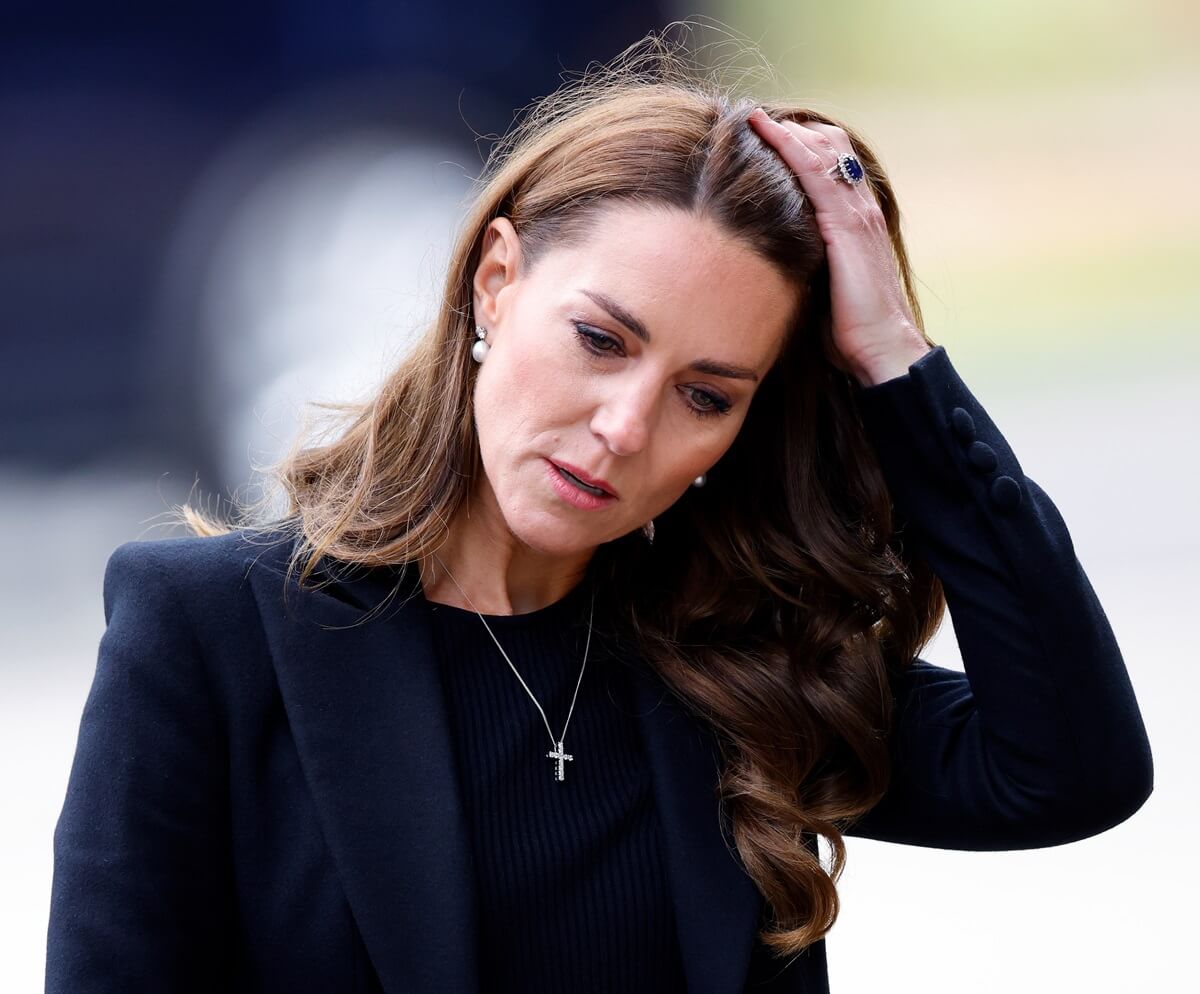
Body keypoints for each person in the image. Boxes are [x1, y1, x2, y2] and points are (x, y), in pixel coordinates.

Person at [46, 33, 1153, 994]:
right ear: (496, 279)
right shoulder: (215, 636)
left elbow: (1071, 767)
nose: (627, 427)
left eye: (705, 394)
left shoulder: (738, 667)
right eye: (602, 340)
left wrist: (897, 364)